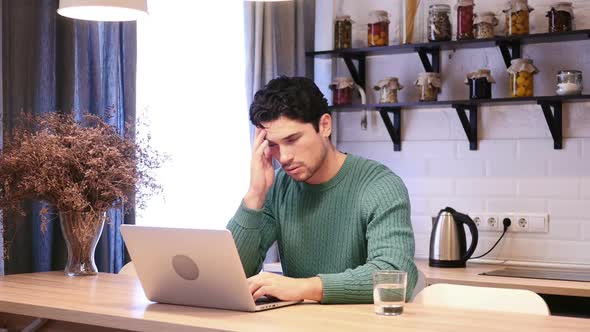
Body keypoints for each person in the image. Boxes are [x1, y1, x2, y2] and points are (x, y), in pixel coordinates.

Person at [227, 76, 417, 304]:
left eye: (293, 139)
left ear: (325, 125)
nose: (284, 158)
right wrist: (255, 194)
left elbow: (394, 280)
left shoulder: (380, 185)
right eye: (274, 145)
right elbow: (232, 277)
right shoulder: (277, 187)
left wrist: (303, 287)